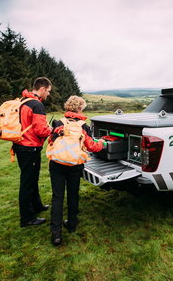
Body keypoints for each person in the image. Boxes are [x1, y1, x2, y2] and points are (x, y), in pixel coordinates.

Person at [48, 95, 105, 246]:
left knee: (57, 197)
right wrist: (102, 143)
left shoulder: (59, 123)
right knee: (73, 194)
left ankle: (56, 234)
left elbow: (50, 140)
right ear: (80, 108)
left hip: (57, 164)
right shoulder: (83, 127)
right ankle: (72, 224)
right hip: (74, 165)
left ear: (68, 107)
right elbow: (92, 146)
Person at [13, 77, 53, 227]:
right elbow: (41, 130)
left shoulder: (24, 101)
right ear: (42, 89)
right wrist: (52, 129)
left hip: (20, 145)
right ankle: (27, 218)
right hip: (30, 147)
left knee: (32, 179)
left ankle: (37, 206)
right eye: (48, 91)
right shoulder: (37, 105)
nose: (48, 94)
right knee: (27, 182)